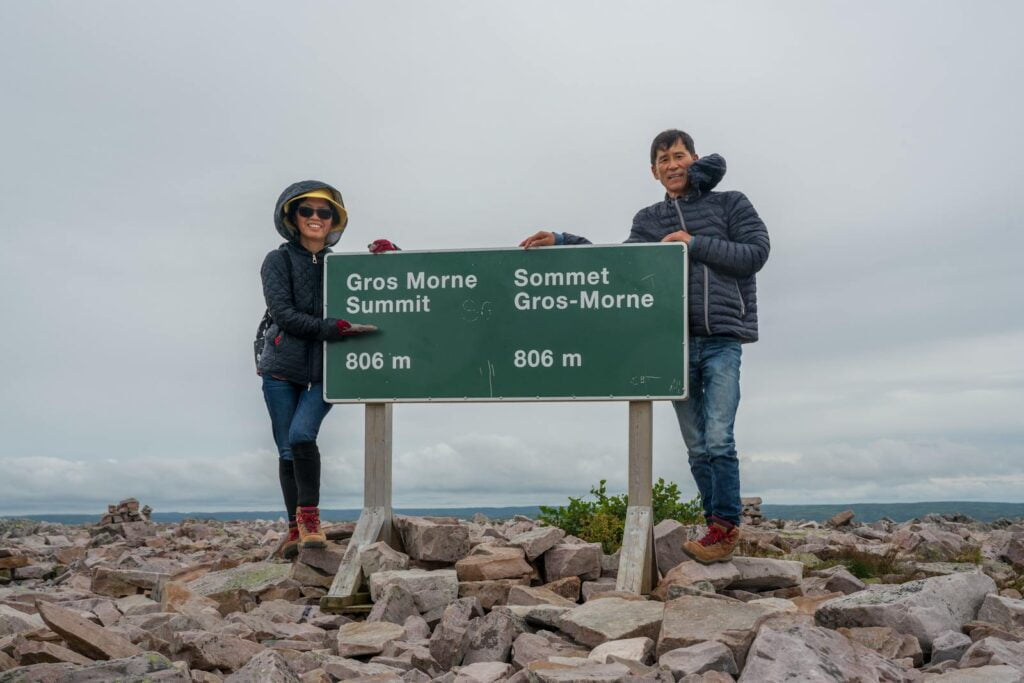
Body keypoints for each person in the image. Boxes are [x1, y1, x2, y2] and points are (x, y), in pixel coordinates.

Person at [519, 130, 770, 563]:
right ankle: (716, 526)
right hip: (671, 342)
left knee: (718, 437)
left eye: (679, 156)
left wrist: (694, 243)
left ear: (694, 157)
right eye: (662, 160)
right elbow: (620, 266)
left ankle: (725, 526)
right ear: (653, 172)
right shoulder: (649, 219)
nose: (672, 165)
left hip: (722, 338)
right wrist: (563, 241)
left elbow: (755, 253)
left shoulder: (732, 203)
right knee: (695, 444)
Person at [259, 180, 380, 557]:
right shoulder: (276, 261)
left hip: (325, 373)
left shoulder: (340, 265)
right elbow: (284, 316)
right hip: (280, 369)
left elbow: (380, 290)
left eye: (324, 212)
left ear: (333, 221)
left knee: (300, 436)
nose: (315, 218)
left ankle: (309, 518)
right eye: (306, 211)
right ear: (292, 217)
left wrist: (386, 260)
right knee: (285, 450)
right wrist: (332, 329)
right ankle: (296, 529)